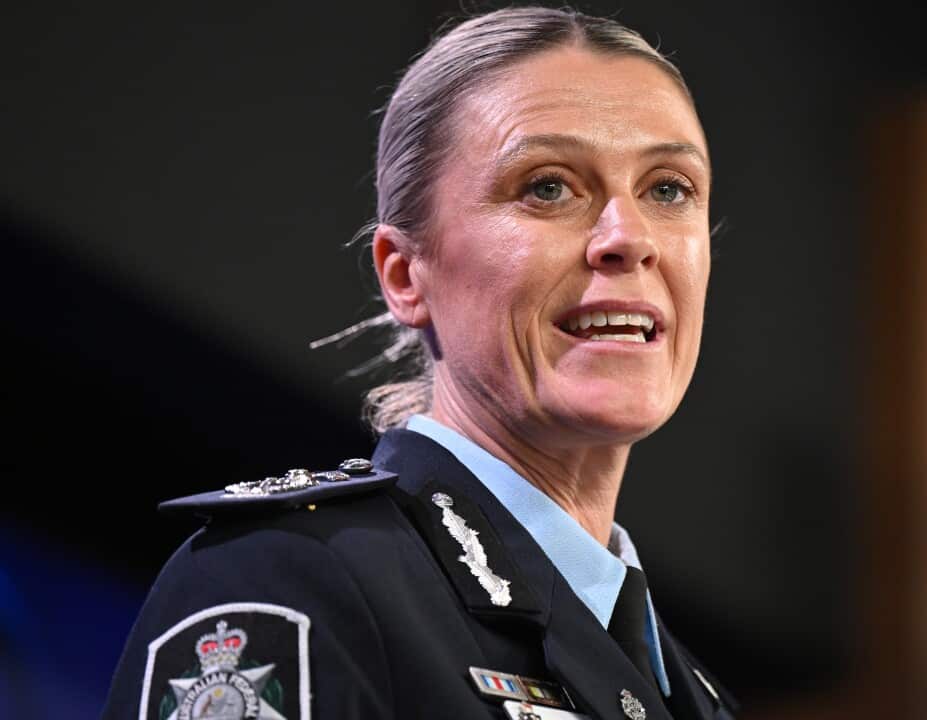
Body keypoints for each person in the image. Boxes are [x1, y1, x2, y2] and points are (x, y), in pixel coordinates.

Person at [102, 6, 738, 720]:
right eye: (548, 186)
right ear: (405, 275)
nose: (628, 237)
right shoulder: (286, 583)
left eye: (668, 190)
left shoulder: (694, 696)